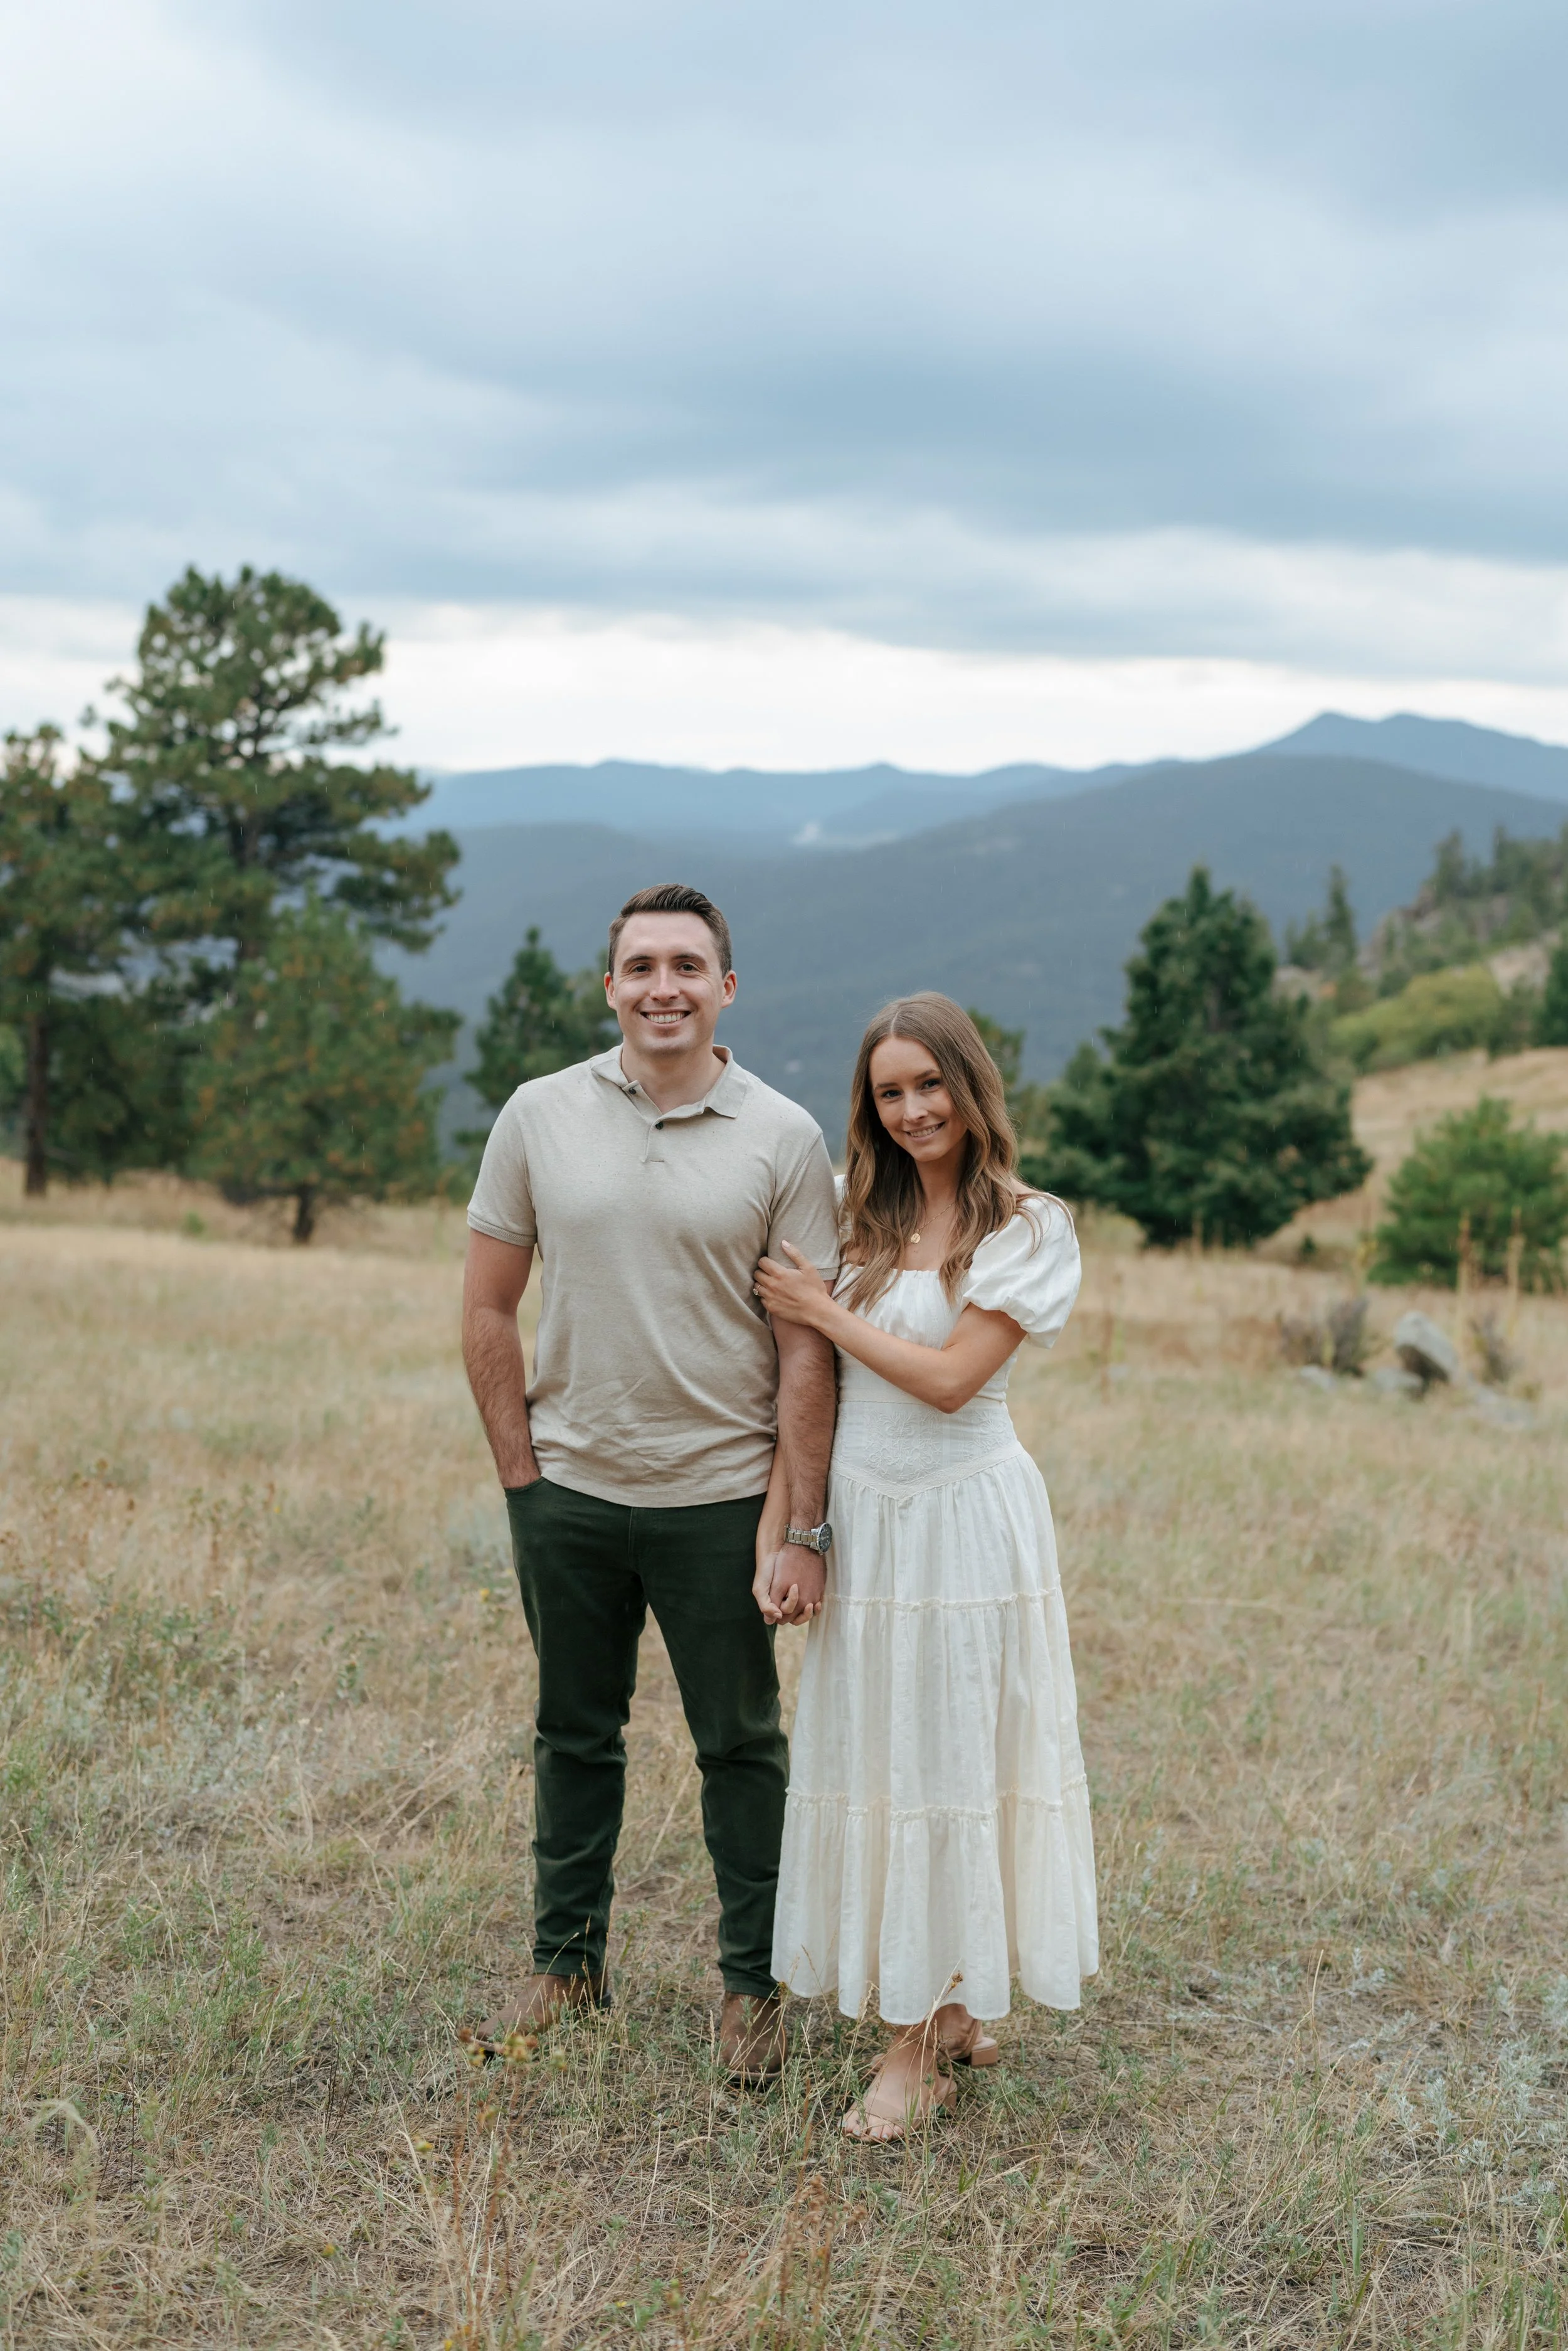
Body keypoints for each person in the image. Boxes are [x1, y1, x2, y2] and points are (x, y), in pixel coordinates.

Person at [461, 883, 839, 2083]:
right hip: (567, 1490)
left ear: (727, 987)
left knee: (741, 1745)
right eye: (641, 968)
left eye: (688, 966)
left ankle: (752, 1988)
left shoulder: (783, 1138)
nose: (662, 987)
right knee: (574, 1733)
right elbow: (485, 1304)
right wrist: (523, 1474)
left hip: (722, 1499)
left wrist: (799, 1523)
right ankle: (565, 1966)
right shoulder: (538, 1115)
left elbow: (806, 1349)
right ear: (610, 986)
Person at [754, 992, 1097, 2140]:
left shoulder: (1029, 1226)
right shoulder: (859, 1225)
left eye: (928, 1085)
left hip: (966, 1522)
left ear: (970, 1083)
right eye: (889, 1092)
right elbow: (810, 1395)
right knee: (887, 1755)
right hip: (869, 1519)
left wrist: (819, 1309)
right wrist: (794, 1532)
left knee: (957, 1757)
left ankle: (917, 2048)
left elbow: (952, 1380)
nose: (911, 1111)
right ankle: (945, 2011)